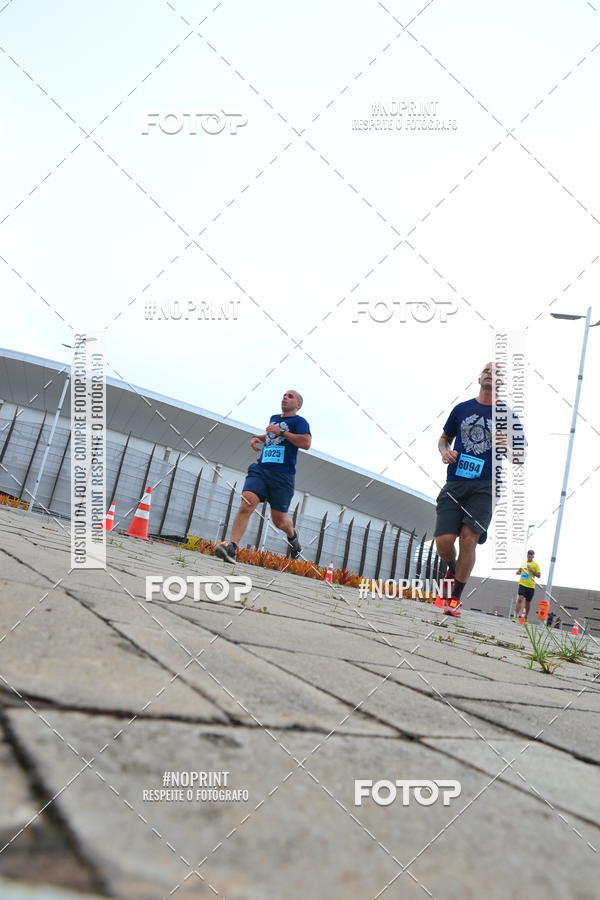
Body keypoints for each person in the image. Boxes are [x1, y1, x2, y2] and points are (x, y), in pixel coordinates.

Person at [434, 362, 524, 617]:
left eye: (496, 372)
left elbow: (521, 456)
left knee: (468, 540)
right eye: (486, 370)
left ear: (501, 382)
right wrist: (445, 452)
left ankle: (455, 599)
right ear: (479, 378)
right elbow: (443, 439)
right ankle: (451, 567)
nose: (490, 373)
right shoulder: (462, 409)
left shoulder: (508, 416)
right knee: (443, 543)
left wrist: (505, 446)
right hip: (456, 482)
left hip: (486, 486)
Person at [215, 390, 311, 563]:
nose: (285, 397)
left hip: (283, 477)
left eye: (290, 396)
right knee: (247, 502)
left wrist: (281, 432)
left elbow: (306, 443)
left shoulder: (299, 421)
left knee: (279, 521)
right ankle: (232, 547)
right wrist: (257, 437)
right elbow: (272, 435)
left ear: (298, 404)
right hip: (261, 469)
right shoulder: (274, 417)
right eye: (284, 395)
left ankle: (292, 536)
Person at [514, 550, 541, 623]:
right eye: (528, 555)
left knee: (528, 603)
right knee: (520, 599)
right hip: (522, 584)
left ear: (533, 556)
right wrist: (518, 572)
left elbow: (539, 575)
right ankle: (516, 616)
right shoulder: (524, 563)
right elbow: (519, 571)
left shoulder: (536, 565)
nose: (529, 556)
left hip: (531, 586)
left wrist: (532, 570)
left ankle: (525, 617)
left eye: (531, 555)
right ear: (527, 555)